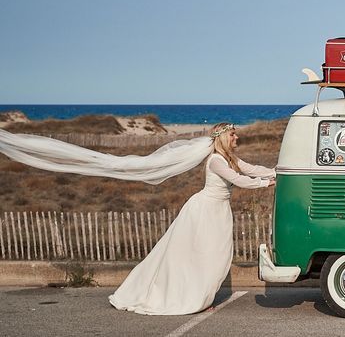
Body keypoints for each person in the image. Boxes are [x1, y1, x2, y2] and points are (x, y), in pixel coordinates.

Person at [108, 123, 275, 315]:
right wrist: (265, 183)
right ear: (223, 138)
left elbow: (251, 169)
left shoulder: (230, 158)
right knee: (200, 255)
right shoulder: (216, 161)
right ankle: (194, 298)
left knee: (215, 256)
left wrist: (275, 172)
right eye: (233, 135)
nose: (236, 138)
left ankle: (202, 297)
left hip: (219, 211)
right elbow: (239, 179)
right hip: (204, 211)